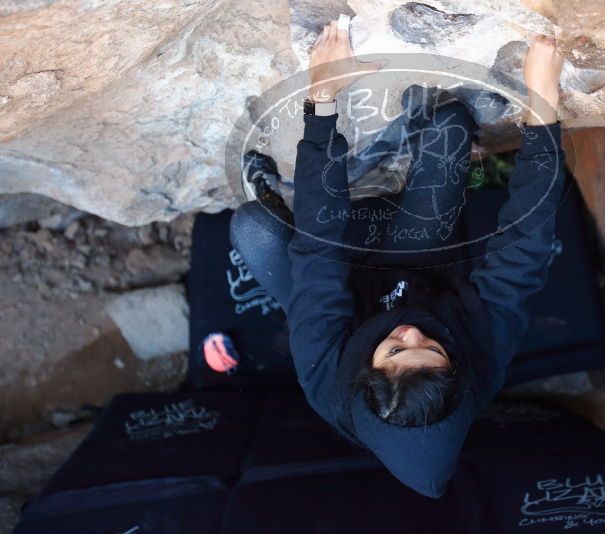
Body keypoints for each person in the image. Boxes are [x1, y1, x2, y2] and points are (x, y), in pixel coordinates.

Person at [230, 18, 565, 498]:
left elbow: (319, 251)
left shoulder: (327, 376)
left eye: (393, 350)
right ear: (455, 367)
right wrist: (544, 101)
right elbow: (526, 240)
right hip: (423, 266)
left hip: (339, 288)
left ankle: (277, 194)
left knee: (255, 231)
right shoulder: (483, 357)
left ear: (366, 371)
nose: (410, 332)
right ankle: (399, 148)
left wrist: (322, 97)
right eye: (431, 348)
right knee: (450, 128)